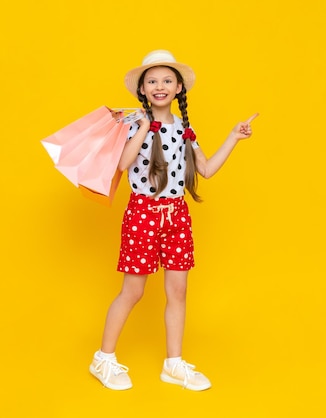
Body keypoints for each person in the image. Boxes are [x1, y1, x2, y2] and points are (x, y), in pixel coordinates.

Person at [89, 50, 258, 391]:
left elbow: (206, 170)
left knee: (178, 290)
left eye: (167, 80)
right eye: (152, 81)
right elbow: (123, 164)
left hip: (177, 214)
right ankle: (103, 359)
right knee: (133, 291)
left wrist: (233, 138)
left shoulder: (185, 128)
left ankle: (174, 364)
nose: (160, 85)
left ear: (179, 87)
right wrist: (141, 125)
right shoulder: (134, 123)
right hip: (143, 214)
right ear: (142, 89)